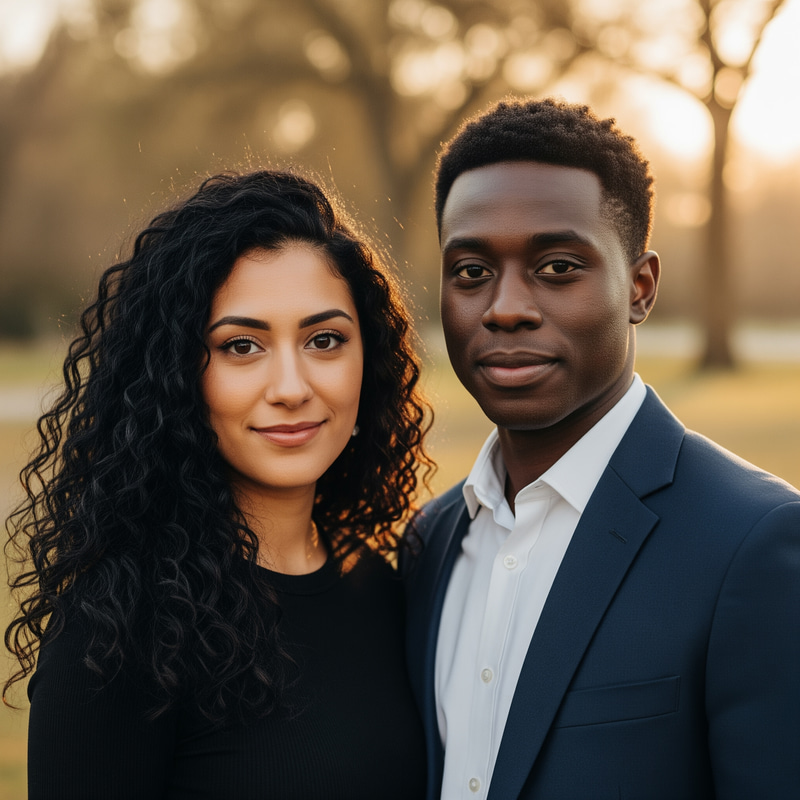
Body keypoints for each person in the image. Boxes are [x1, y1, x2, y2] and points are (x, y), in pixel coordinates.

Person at [404, 97, 800, 800]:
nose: (505, 307)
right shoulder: (430, 543)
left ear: (640, 288)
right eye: (470, 272)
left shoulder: (754, 542)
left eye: (557, 267)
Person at [4, 169, 434, 799]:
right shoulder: (118, 636)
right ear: (177, 375)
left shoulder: (385, 588)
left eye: (324, 340)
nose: (291, 387)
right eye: (241, 346)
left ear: (368, 361)